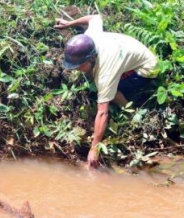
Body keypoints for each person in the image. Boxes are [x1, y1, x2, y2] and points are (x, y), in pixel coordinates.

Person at [54, 15, 158, 168]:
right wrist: (69, 23)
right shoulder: (90, 37)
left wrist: (94, 148)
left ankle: (131, 114)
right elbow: (95, 18)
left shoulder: (105, 74)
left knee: (111, 92)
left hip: (146, 68)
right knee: (104, 86)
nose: (76, 69)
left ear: (91, 59)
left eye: (79, 66)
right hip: (130, 51)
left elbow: (102, 112)